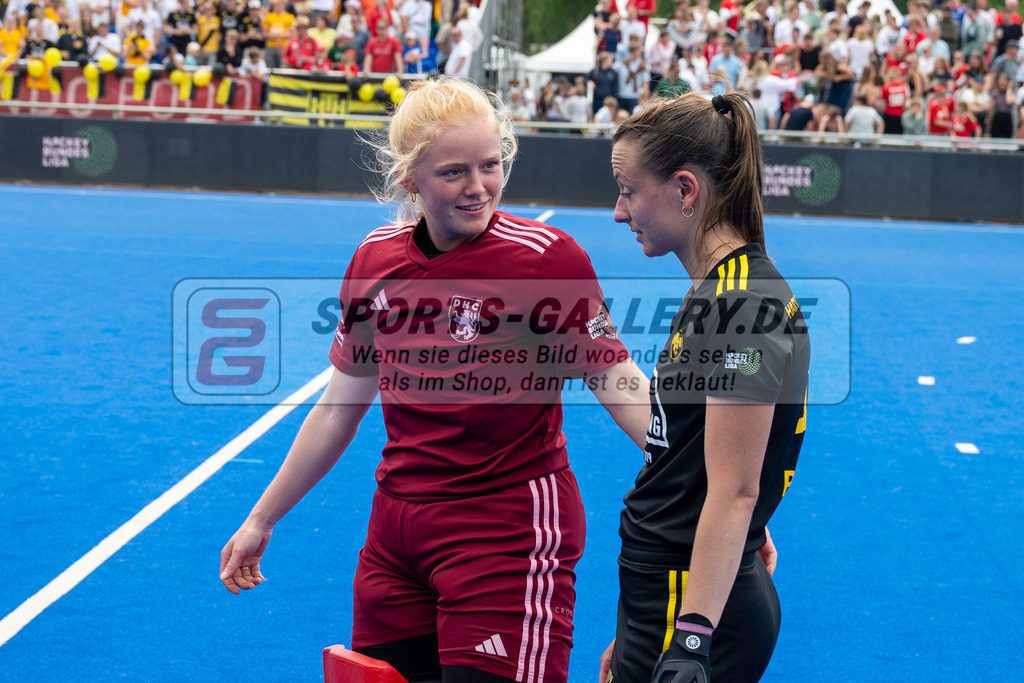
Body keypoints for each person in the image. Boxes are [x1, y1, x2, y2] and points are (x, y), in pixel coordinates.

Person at [219, 76, 652, 683]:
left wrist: (716, 493)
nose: (479, 188)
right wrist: (262, 518)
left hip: (506, 530)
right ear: (409, 179)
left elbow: (620, 384)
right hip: (395, 540)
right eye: (453, 172)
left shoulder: (546, 260)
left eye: (490, 165)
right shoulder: (375, 259)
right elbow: (338, 409)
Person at [601, 90, 810, 683]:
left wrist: (688, 640)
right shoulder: (718, 289)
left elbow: (736, 489)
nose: (619, 212)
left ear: (685, 190)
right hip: (670, 589)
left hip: (684, 593)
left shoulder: (738, 302)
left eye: (626, 189)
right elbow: (684, 440)